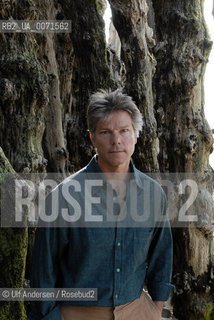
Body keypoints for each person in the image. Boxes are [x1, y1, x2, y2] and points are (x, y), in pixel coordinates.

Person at [28, 89, 173, 320]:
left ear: (136, 134)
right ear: (92, 138)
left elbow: (162, 257)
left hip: (138, 311)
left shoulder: (154, 194)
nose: (116, 140)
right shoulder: (63, 197)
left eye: (124, 131)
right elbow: (43, 272)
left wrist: (154, 309)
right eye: (106, 132)